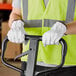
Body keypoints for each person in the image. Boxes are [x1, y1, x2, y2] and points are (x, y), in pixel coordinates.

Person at [7, 0, 76, 76]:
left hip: (68, 64)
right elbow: (16, 13)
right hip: (31, 61)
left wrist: (65, 28)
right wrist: (15, 23)